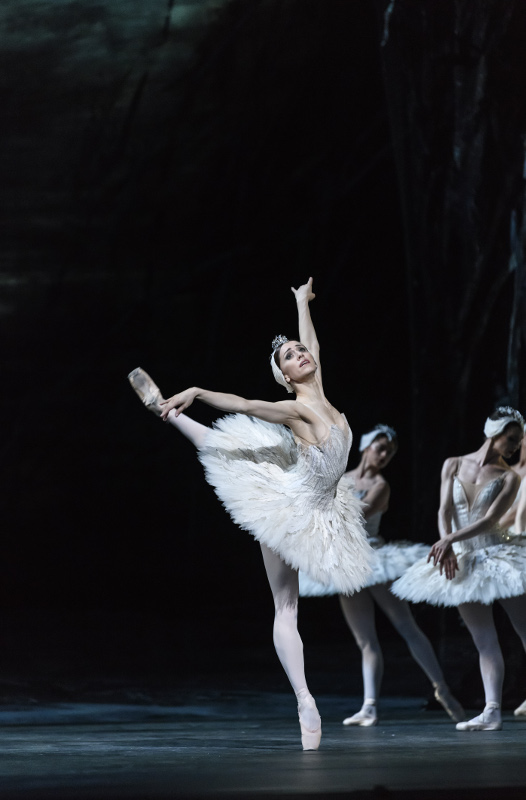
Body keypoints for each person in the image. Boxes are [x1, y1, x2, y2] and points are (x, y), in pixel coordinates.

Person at [128, 278, 374, 750]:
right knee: (285, 605)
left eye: (302, 351)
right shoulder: (295, 409)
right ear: (285, 377)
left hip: (324, 506)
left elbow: (314, 341)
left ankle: (169, 412)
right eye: (290, 357)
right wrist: (197, 390)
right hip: (290, 505)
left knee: (238, 452)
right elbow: (245, 404)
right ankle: (305, 700)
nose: (300, 354)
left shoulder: (320, 386)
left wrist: (302, 302)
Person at [299, 425, 464, 726]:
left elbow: (355, 512)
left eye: (390, 451)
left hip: (375, 559)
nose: (385, 454)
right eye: (381, 447)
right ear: (366, 447)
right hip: (347, 563)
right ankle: (370, 706)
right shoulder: (343, 479)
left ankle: (441, 688)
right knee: (365, 639)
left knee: (405, 625)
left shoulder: (380, 485)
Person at [392, 407, 526, 731]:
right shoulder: (452, 464)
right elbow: (444, 509)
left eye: (519, 442)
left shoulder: (510, 476)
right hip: (462, 557)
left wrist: (450, 538)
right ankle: (492, 711)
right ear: (494, 433)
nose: (516, 447)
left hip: (498, 554)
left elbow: (490, 520)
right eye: (512, 439)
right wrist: (448, 545)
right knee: (484, 639)